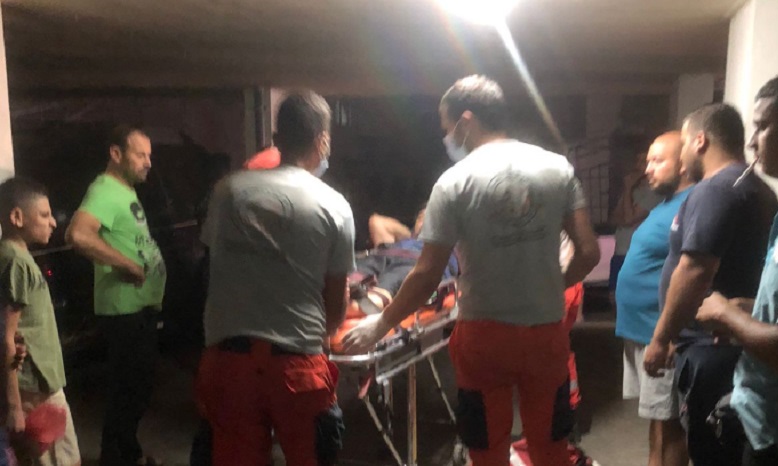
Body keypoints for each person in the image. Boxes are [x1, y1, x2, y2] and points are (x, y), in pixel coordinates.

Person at [342, 75, 600, 466]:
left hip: (484, 337)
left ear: (467, 120)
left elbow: (427, 275)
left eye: (447, 128)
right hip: (544, 334)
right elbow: (588, 252)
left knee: (486, 452)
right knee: (551, 450)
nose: (447, 138)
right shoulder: (557, 169)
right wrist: (553, 286)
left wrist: (381, 325)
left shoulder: (453, 183)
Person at [195, 91, 354, 466]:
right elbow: (336, 304)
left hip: (228, 365)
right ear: (322, 140)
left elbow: (212, 269)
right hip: (296, 369)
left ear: (277, 139)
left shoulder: (227, 192)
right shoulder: (333, 205)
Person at [643, 103, 778, 466]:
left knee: (710, 451)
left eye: (685, 143)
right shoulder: (755, 187)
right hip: (724, 343)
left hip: (711, 349)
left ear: (699, 141)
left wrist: (661, 338)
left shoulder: (717, 189)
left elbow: (694, 269)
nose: (683, 155)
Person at [695, 69, 778, 466]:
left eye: (763, 126)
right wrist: (750, 310)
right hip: (762, 420)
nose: (753, 141)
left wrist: (726, 314)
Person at [66, 125, 167, 466]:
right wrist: (127, 265)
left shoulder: (124, 190)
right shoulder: (104, 190)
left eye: (149, 155)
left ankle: (126, 452)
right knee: (129, 390)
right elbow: (78, 235)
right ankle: (117, 456)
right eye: (140, 155)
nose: (148, 162)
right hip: (124, 310)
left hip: (138, 307)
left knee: (135, 388)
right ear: (116, 154)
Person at [615, 132, 695, 466]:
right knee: (657, 419)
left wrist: (671, 335)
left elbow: (695, 273)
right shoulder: (666, 203)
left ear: (684, 162)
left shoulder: (694, 203)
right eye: (647, 160)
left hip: (659, 333)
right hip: (641, 331)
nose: (648, 168)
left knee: (672, 426)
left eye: (657, 161)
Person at [0, 178, 80, 466]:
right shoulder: (16, 262)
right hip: (36, 384)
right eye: (44, 215)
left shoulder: (14, 257)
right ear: (17, 217)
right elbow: (7, 336)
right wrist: (14, 405)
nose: (53, 222)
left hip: (37, 382)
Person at [609, 152, 661, 302]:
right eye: (637, 161)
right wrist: (628, 191)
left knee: (630, 297)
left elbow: (628, 219)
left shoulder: (654, 193)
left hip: (635, 252)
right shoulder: (634, 191)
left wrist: (627, 189)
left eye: (643, 162)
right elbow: (613, 218)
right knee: (614, 297)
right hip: (620, 251)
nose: (638, 166)